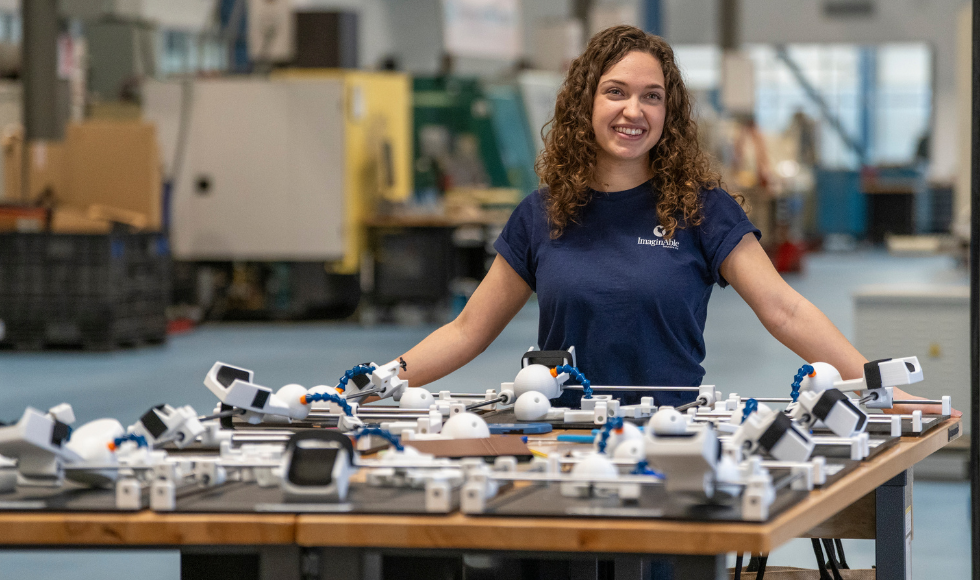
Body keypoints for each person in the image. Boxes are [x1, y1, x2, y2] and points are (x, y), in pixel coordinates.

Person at [394, 25, 951, 416]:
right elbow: (468, 331)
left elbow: (785, 309)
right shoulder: (541, 216)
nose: (633, 110)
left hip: (667, 442)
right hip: (560, 442)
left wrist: (876, 384)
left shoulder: (701, 210)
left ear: (669, 114)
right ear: (584, 104)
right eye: (615, 92)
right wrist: (379, 384)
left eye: (651, 97)